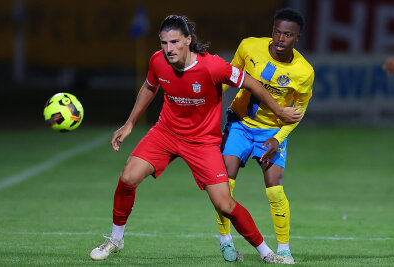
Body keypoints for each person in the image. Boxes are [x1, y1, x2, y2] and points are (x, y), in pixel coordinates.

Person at [89, 15, 301, 264]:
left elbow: (250, 82)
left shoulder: (213, 66)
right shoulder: (158, 61)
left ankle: (267, 253)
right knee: (128, 177)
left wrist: (279, 110)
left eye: (175, 42)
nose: (169, 49)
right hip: (165, 133)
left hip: (202, 142)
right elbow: (149, 86)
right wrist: (130, 123)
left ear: (188, 40)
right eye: (164, 43)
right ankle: (116, 239)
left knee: (224, 204)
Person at [214, 8, 314, 263]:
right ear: (272, 31)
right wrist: (209, 100)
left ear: (297, 37)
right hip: (240, 124)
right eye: (277, 32)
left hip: (271, 132)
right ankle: (226, 241)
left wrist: (277, 139)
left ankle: (283, 248)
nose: (281, 39)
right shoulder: (249, 47)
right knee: (224, 184)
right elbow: (228, 76)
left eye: (288, 34)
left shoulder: (304, 72)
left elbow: (297, 113)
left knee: (275, 192)